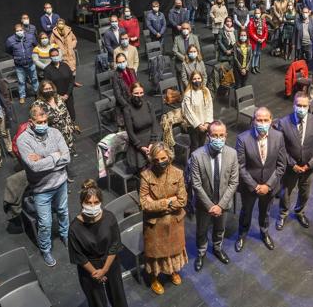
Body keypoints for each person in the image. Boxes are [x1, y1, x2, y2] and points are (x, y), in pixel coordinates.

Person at [16, 105, 70, 266]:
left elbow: (67, 158)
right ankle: (46, 250)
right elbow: (34, 167)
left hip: (60, 183)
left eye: (46, 120)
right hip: (41, 189)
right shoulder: (23, 140)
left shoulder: (55, 133)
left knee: (63, 212)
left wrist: (43, 157)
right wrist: (55, 156)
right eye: (40, 121)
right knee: (45, 224)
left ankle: (65, 234)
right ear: (31, 122)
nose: (43, 124)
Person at [68, 179, 128, 307]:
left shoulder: (109, 217)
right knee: (96, 301)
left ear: (100, 202)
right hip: (89, 269)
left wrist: (104, 269)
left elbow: (115, 244)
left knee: (118, 296)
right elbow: (79, 256)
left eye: (96, 202)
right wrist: (96, 273)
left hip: (110, 262)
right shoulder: (74, 228)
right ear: (81, 203)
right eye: (88, 203)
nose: (92, 206)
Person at [235, 107, 287, 252]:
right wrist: (255, 186)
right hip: (249, 187)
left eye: (265, 120)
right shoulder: (242, 139)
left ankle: (264, 232)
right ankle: (242, 234)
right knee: (246, 212)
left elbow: (281, 165)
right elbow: (240, 166)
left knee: (266, 212)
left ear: (271, 121)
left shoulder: (278, 136)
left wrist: (268, 186)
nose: (262, 123)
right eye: (259, 120)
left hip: (270, 187)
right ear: (253, 121)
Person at [190, 120, 239, 271]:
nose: (218, 139)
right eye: (214, 135)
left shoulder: (232, 154)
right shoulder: (197, 156)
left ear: (226, 135)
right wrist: (211, 206)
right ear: (208, 136)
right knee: (201, 230)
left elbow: (233, 182)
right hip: (204, 205)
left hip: (223, 204)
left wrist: (220, 206)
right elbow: (196, 184)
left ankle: (218, 248)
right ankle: (201, 252)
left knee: (220, 229)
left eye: (221, 135)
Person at [139, 143, 188, 295]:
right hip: (154, 224)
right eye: (156, 159)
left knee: (174, 249)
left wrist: (156, 203)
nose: (160, 161)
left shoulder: (177, 173)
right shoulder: (145, 176)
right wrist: (167, 202)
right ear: (151, 160)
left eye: (163, 158)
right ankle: (154, 278)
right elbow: (144, 204)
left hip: (175, 221)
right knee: (155, 254)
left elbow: (182, 200)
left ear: (169, 157)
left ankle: (172, 271)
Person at [275, 93, 313, 230]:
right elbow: (281, 148)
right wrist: (292, 164)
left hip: (309, 168)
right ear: (294, 105)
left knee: (305, 192)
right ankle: (283, 213)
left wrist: (309, 165)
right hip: (290, 168)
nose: (301, 108)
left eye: (304, 106)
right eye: (299, 105)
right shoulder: (283, 123)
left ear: (309, 106)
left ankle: (299, 211)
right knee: (285, 192)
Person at [123, 83, 161, 174]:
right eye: (136, 93)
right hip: (138, 145)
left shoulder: (148, 104)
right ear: (131, 93)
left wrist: (152, 142)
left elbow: (154, 124)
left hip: (151, 141)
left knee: (158, 168)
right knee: (145, 174)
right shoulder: (127, 110)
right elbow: (130, 132)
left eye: (141, 93)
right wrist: (141, 147)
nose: (139, 96)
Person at [33, 80, 76, 157]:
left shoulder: (58, 98)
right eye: (46, 89)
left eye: (50, 88)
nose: (48, 90)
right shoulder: (37, 105)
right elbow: (37, 123)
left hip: (66, 133)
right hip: (53, 136)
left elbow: (66, 114)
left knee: (68, 155)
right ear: (41, 91)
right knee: (59, 157)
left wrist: (71, 126)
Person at [5, 23, 38, 104]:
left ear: (23, 30)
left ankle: (37, 93)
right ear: (15, 31)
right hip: (19, 65)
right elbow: (8, 51)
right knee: (21, 81)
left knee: (34, 79)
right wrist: (17, 56)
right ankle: (22, 96)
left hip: (31, 63)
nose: (19, 32)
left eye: (21, 30)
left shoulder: (30, 37)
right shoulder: (10, 40)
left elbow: (36, 46)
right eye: (17, 31)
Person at [44, 47, 77, 123]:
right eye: (53, 56)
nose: (55, 57)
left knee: (72, 113)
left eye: (56, 55)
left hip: (68, 95)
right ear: (50, 57)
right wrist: (59, 96)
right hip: (56, 98)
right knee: (61, 116)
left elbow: (71, 81)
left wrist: (67, 94)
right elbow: (48, 86)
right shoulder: (47, 70)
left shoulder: (65, 65)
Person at [182, 71, 213, 152]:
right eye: (194, 79)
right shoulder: (188, 94)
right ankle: (193, 162)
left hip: (204, 124)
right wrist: (199, 125)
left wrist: (207, 122)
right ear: (191, 80)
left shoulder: (206, 90)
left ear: (202, 79)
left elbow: (210, 107)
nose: (197, 80)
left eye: (199, 78)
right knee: (195, 145)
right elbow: (188, 112)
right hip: (193, 125)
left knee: (202, 144)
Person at [112, 53, 138, 130]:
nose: (122, 64)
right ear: (116, 63)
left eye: (123, 61)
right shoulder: (115, 76)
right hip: (124, 105)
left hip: (135, 101)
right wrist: (128, 106)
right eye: (119, 62)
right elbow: (118, 95)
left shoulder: (132, 71)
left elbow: (137, 86)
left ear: (126, 61)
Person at [247, 8, 268, 74]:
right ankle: (253, 67)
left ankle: (256, 66)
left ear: (261, 14)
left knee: (258, 53)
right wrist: (257, 39)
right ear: (254, 14)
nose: (257, 14)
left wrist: (263, 38)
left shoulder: (263, 21)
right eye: (256, 13)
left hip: (261, 40)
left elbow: (266, 31)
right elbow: (250, 32)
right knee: (254, 53)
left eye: (259, 13)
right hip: (254, 41)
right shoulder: (251, 21)